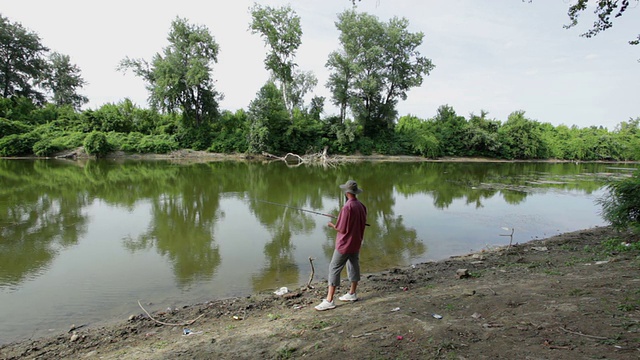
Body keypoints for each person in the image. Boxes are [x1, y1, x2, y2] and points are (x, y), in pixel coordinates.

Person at [315, 180, 368, 311]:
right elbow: (352, 222)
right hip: (356, 242)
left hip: (344, 244)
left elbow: (342, 229)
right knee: (353, 265)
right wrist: (339, 219)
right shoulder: (361, 206)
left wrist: (332, 224)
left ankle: (329, 300)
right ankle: (352, 293)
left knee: (334, 268)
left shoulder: (347, 207)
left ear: (347, 192)